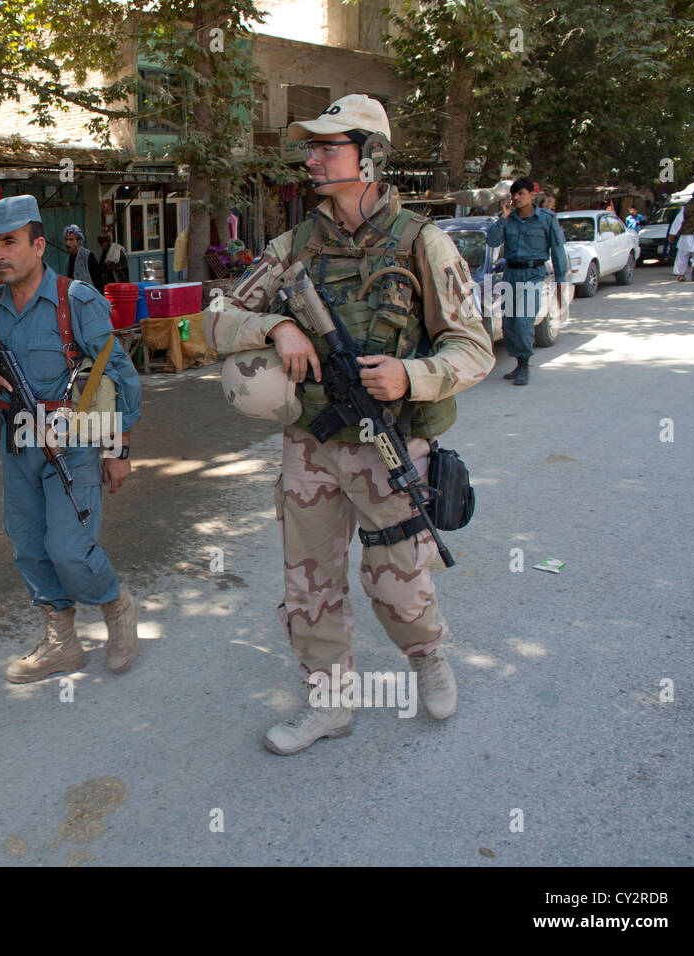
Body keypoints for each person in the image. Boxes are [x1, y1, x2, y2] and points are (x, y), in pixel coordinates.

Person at [204, 93, 494, 755]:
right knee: (309, 580)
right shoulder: (293, 245)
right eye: (311, 146)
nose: (312, 157)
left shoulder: (424, 242)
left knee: (396, 573)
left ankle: (427, 658)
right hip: (310, 444)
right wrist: (275, 324)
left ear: (371, 157)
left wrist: (410, 378)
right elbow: (214, 323)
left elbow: (473, 346)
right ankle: (328, 704)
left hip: (387, 440)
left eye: (328, 146)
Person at [0, 196, 143, 683]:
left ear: (38, 245)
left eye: (10, 242)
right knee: (28, 546)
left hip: (74, 442)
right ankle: (62, 643)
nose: (0, 254)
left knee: (69, 548)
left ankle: (117, 607)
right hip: (17, 446)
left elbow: (116, 373)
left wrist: (117, 449)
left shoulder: (76, 301)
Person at [485, 178, 568, 385]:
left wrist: (561, 281)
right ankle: (518, 363)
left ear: (532, 195)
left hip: (533, 274)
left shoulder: (546, 219)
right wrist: (503, 217)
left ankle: (524, 366)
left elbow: (557, 251)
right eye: (514, 194)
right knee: (510, 324)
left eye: (521, 193)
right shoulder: (508, 219)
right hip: (511, 274)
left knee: (523, 321)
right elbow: (492, 241)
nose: (516, 198)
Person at [669, 188, 694, 282]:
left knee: (683, 254)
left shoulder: (687, 206)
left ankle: (681, 275)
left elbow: (679, 220)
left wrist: (672, 233)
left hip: (686, 234)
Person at [63, 225, 105, 292]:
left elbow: (98, 281)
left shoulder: (87, 256)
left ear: (79, 240)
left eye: (71, 240)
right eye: (66, 239)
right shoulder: (69, 258)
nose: (68, 243)